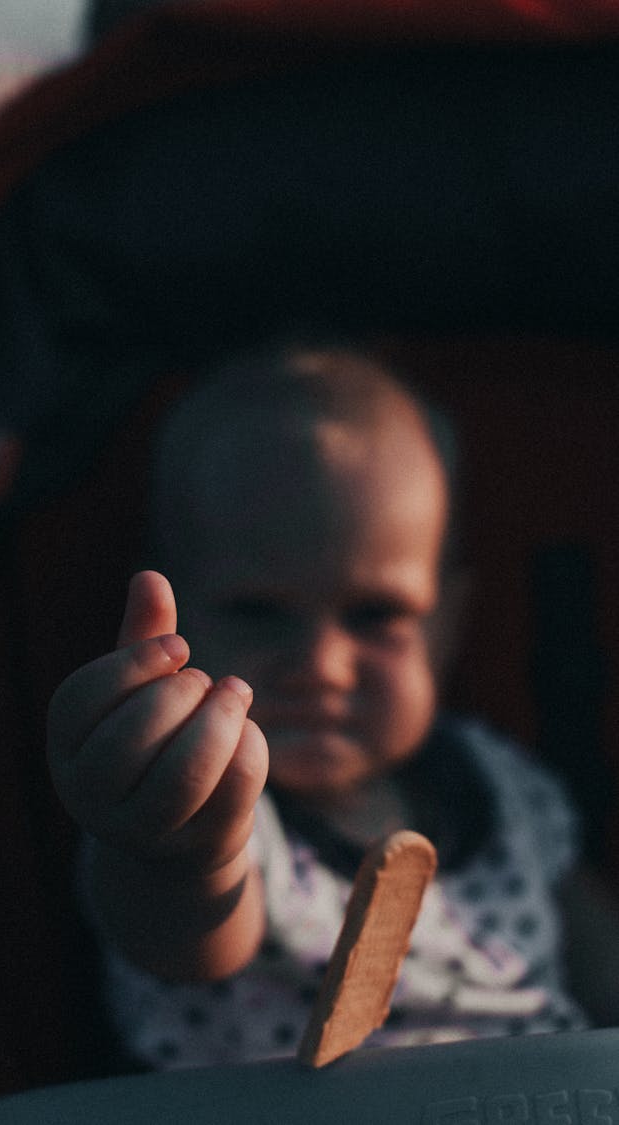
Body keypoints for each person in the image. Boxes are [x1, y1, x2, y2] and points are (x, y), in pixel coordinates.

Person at [47, 341, 619, 1071]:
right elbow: (181, 925)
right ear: (176, 614)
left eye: (376, 613)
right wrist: (171, 842)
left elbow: (600, 960)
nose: (321, 664)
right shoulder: (224, 811)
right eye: (259, 612)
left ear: (445, 627)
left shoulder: (498, 778)